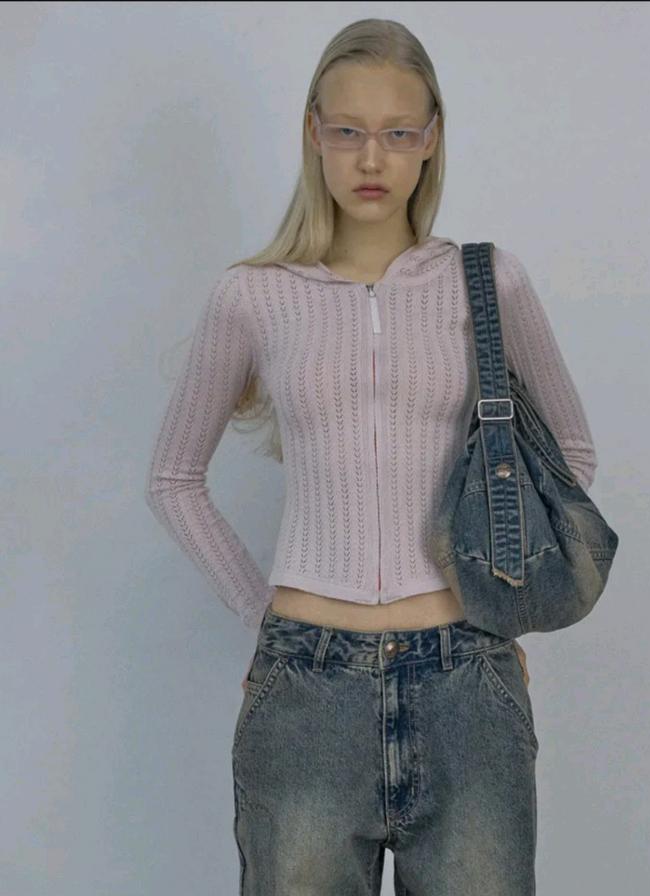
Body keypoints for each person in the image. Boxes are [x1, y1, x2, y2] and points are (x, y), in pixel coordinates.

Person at [145, 17, 597, 896]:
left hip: (468, 681)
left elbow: (569, 449)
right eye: (348, 130)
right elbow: (173, 478)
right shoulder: (253, 296)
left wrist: (502, 600)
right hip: (305, 689)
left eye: (397, 133)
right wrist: (263, 614)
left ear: (431, 141)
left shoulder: (488, 282)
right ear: (314, 132)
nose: (371, 158)